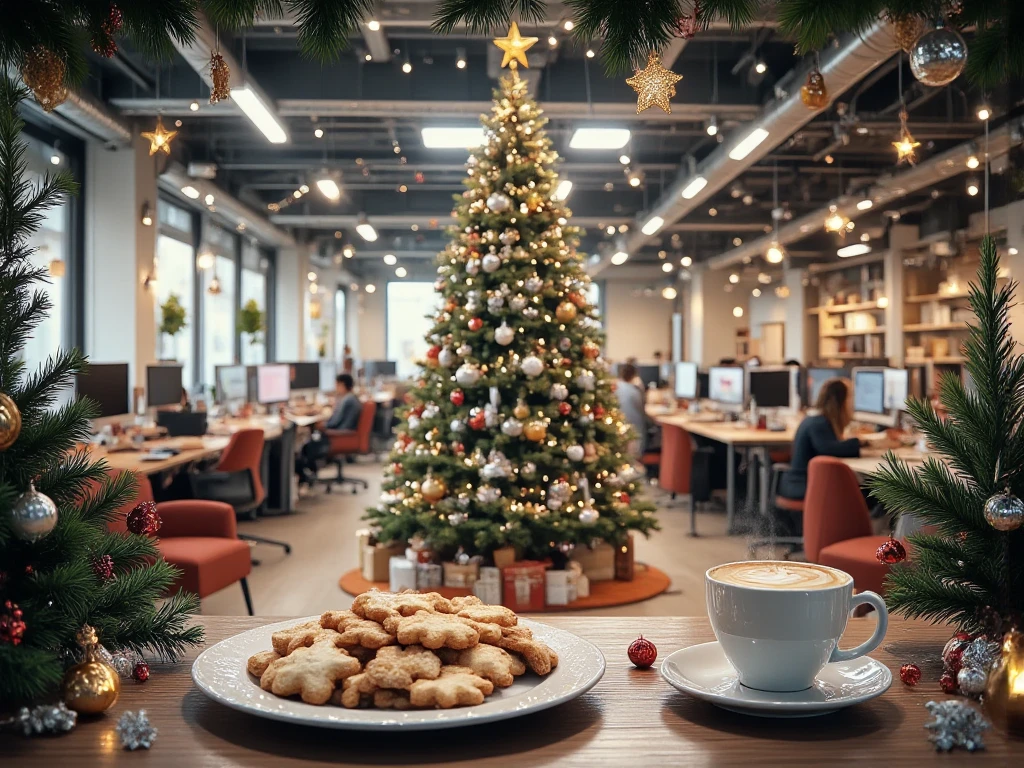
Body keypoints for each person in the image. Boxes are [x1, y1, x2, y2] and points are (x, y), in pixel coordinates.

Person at [778, 378, 860, 500]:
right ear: (840, 402)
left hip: (806, 483)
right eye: (850, 397)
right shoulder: (818, 423)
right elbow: (831, 449)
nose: (853, 402)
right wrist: (864, 444)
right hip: (804, 486)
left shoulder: (817, 419)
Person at [616, 363, 647, 456]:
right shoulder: (635, 392)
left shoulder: (616, 387)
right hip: (635, 434)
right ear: (634, 376)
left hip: (620, 432)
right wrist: (641, 388)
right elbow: (643, 411)